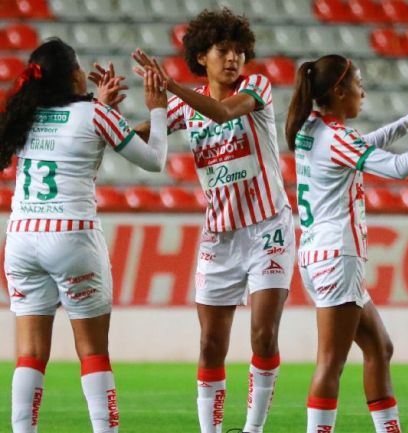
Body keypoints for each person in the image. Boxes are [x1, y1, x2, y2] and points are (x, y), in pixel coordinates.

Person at [284, 53, 408, 433]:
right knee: (331, 362)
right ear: (339, 91)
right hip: (338, 257)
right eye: (358, 85)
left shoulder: (312, 128)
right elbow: (398, 168)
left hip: (318, 255)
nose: (363, 93)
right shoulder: (336, 137)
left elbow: (360, 144)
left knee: (379, 348)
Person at [125, 8, 294, 433]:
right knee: (210, 344)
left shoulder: (256, 88)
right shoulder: (187, 107)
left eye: (239, 50)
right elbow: (143, 132)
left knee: (262, 336)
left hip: (268, 228)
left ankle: (253, 430)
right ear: (202, 56)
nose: (234, 58)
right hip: (220, 237)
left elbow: (222, 112)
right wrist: (104, 120)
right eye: (223, 50)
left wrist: (172, 87)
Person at [1, 38, 168, 433]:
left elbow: (69, 139)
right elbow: (155, 160)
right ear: (74, 73)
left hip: (22, 238)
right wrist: (158, 112)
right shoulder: (95, 114)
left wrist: (101, 105)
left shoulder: (27, 115)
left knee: (29, 354)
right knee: (92, 352)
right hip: (71, 236)